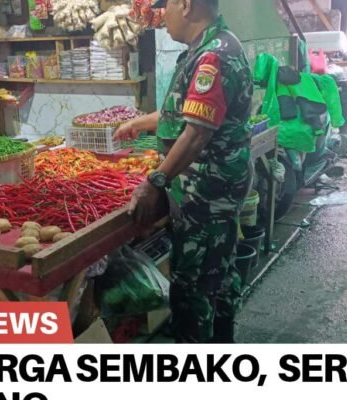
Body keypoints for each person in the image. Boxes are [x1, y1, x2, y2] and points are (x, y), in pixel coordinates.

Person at [114, 0, 252, 343]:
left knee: (194, 289)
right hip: (211, 188)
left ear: (187, 6)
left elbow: (195, 134)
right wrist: (137, 123)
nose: (163, 16)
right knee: (217, 276)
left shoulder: (213, 57)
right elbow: (185, 113)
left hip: (207, 193)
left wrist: (155, 181)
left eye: (167, 7)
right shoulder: (206, 48)